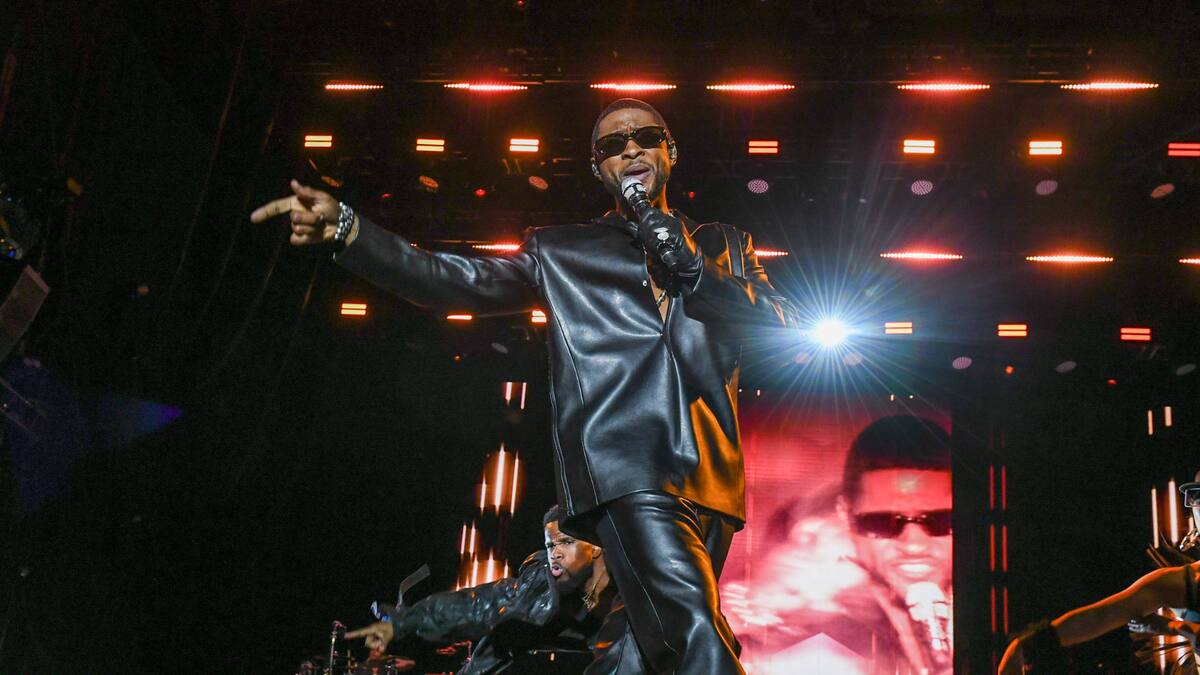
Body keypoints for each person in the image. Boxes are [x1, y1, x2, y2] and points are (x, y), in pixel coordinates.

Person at [253, 97, 799, 673]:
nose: (631, 149)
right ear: (598, 168)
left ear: (671, 150)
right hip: (627, 469)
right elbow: (452, 280)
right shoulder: (562, 251)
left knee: (641, 653)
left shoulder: (725, 244)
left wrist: (688, 260)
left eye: (645, 136)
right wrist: (351, 230)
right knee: (693, 633)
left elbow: (779, 321)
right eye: (612, 145)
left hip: (711, 478)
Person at [723, 414, 953, 675]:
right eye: (882, 523)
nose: (913, 546)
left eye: (940, 520)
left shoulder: (986, 616)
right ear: (846, 517)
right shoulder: (811, 647)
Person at [346, 505, 617, 674]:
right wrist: (406, 620)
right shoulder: (539, 588)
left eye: (566, 542)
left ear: (595, 547)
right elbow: (478, 605)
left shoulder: (630, 583)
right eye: (549, 546)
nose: (554, 554)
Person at [998, 472, 1200, 674]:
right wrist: (1026, 646)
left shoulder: (1183, 584)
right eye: (1197, 497)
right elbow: (1100, 616)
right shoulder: (1181, 583)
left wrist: (1176, 627)